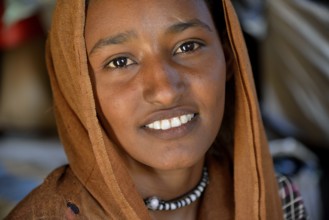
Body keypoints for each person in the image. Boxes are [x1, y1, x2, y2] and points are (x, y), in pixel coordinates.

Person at [6, 0, 307, 219]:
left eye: (188, 46)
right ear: (78, 90)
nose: (164, 91)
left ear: (229, 59)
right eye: (120, 62)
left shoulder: (275, 198)